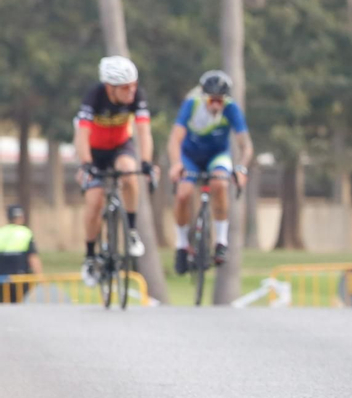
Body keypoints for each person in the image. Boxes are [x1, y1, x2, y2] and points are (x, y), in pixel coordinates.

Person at [76, 56, 157, 284]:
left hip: (121, 146)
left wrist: (147, 162)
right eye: (125, 87)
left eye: (134, 84)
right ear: (109, 87)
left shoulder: (136, 96)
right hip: (94, 152)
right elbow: (81, 135)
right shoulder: (94, 97)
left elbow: (143, 131)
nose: (132, 90)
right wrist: (86, 163)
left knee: (130, 174)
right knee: (94, 202)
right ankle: (90, 256)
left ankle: (131, 231)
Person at [168, 70, 252, 274]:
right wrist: (176, 163)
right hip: (190, 157)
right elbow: (175, 139)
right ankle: (181, 245)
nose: (216, 105)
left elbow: (245, 145)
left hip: (217, 155)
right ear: (205, 97)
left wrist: (241, 168)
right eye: (212, 100)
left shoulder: (231, 109)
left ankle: (221, 242)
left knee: (220, 184)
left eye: (220, 101)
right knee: (183, 194)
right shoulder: (192, 104)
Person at [0, 205, 43, 303]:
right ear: (22, 217)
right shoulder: (25, 233)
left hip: (2, 281)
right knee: (21, 311)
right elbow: (33, 258)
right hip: (21, 280)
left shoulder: (1, 232)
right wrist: (40, 278)